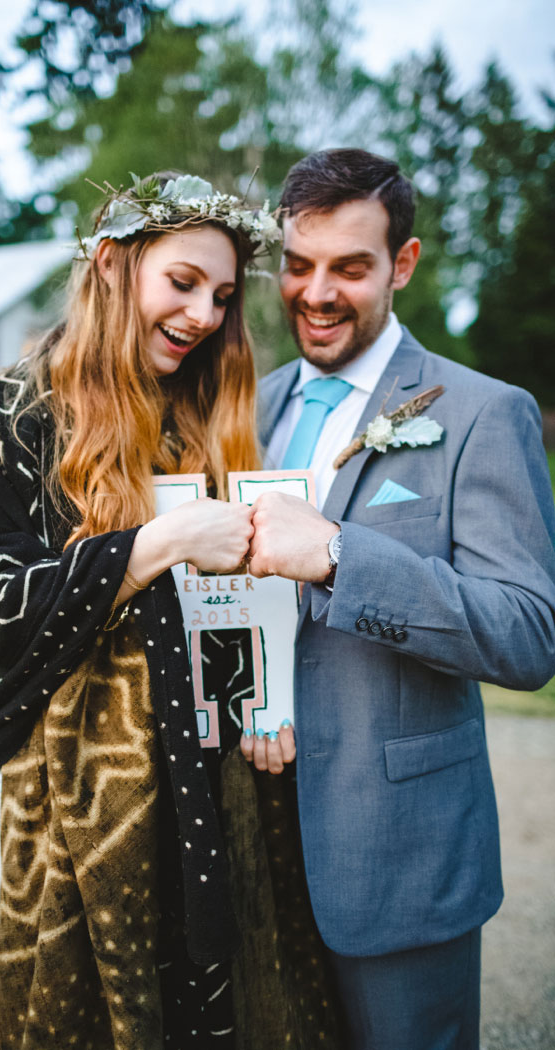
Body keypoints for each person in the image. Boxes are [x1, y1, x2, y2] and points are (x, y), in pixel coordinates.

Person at [0, 172, 337, 1050]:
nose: (203, 316)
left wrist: (257, 703)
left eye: (223, 297)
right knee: (43, 1008)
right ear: (112, 265)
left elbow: (225, 608)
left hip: (200, 763)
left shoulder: (200, 415)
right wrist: (163, 538)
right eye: (183, 283)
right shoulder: (2, 415)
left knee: (190, 1006)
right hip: (47, 763)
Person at [239, 147, 555, 1049]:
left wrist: (342, 555)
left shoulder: (483, 413)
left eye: (350, 267)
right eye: (299, 266)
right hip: (250, 844)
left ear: (402, 266)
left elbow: (529, 634)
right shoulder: (247, 407)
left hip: (399, 850)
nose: (317, 291)